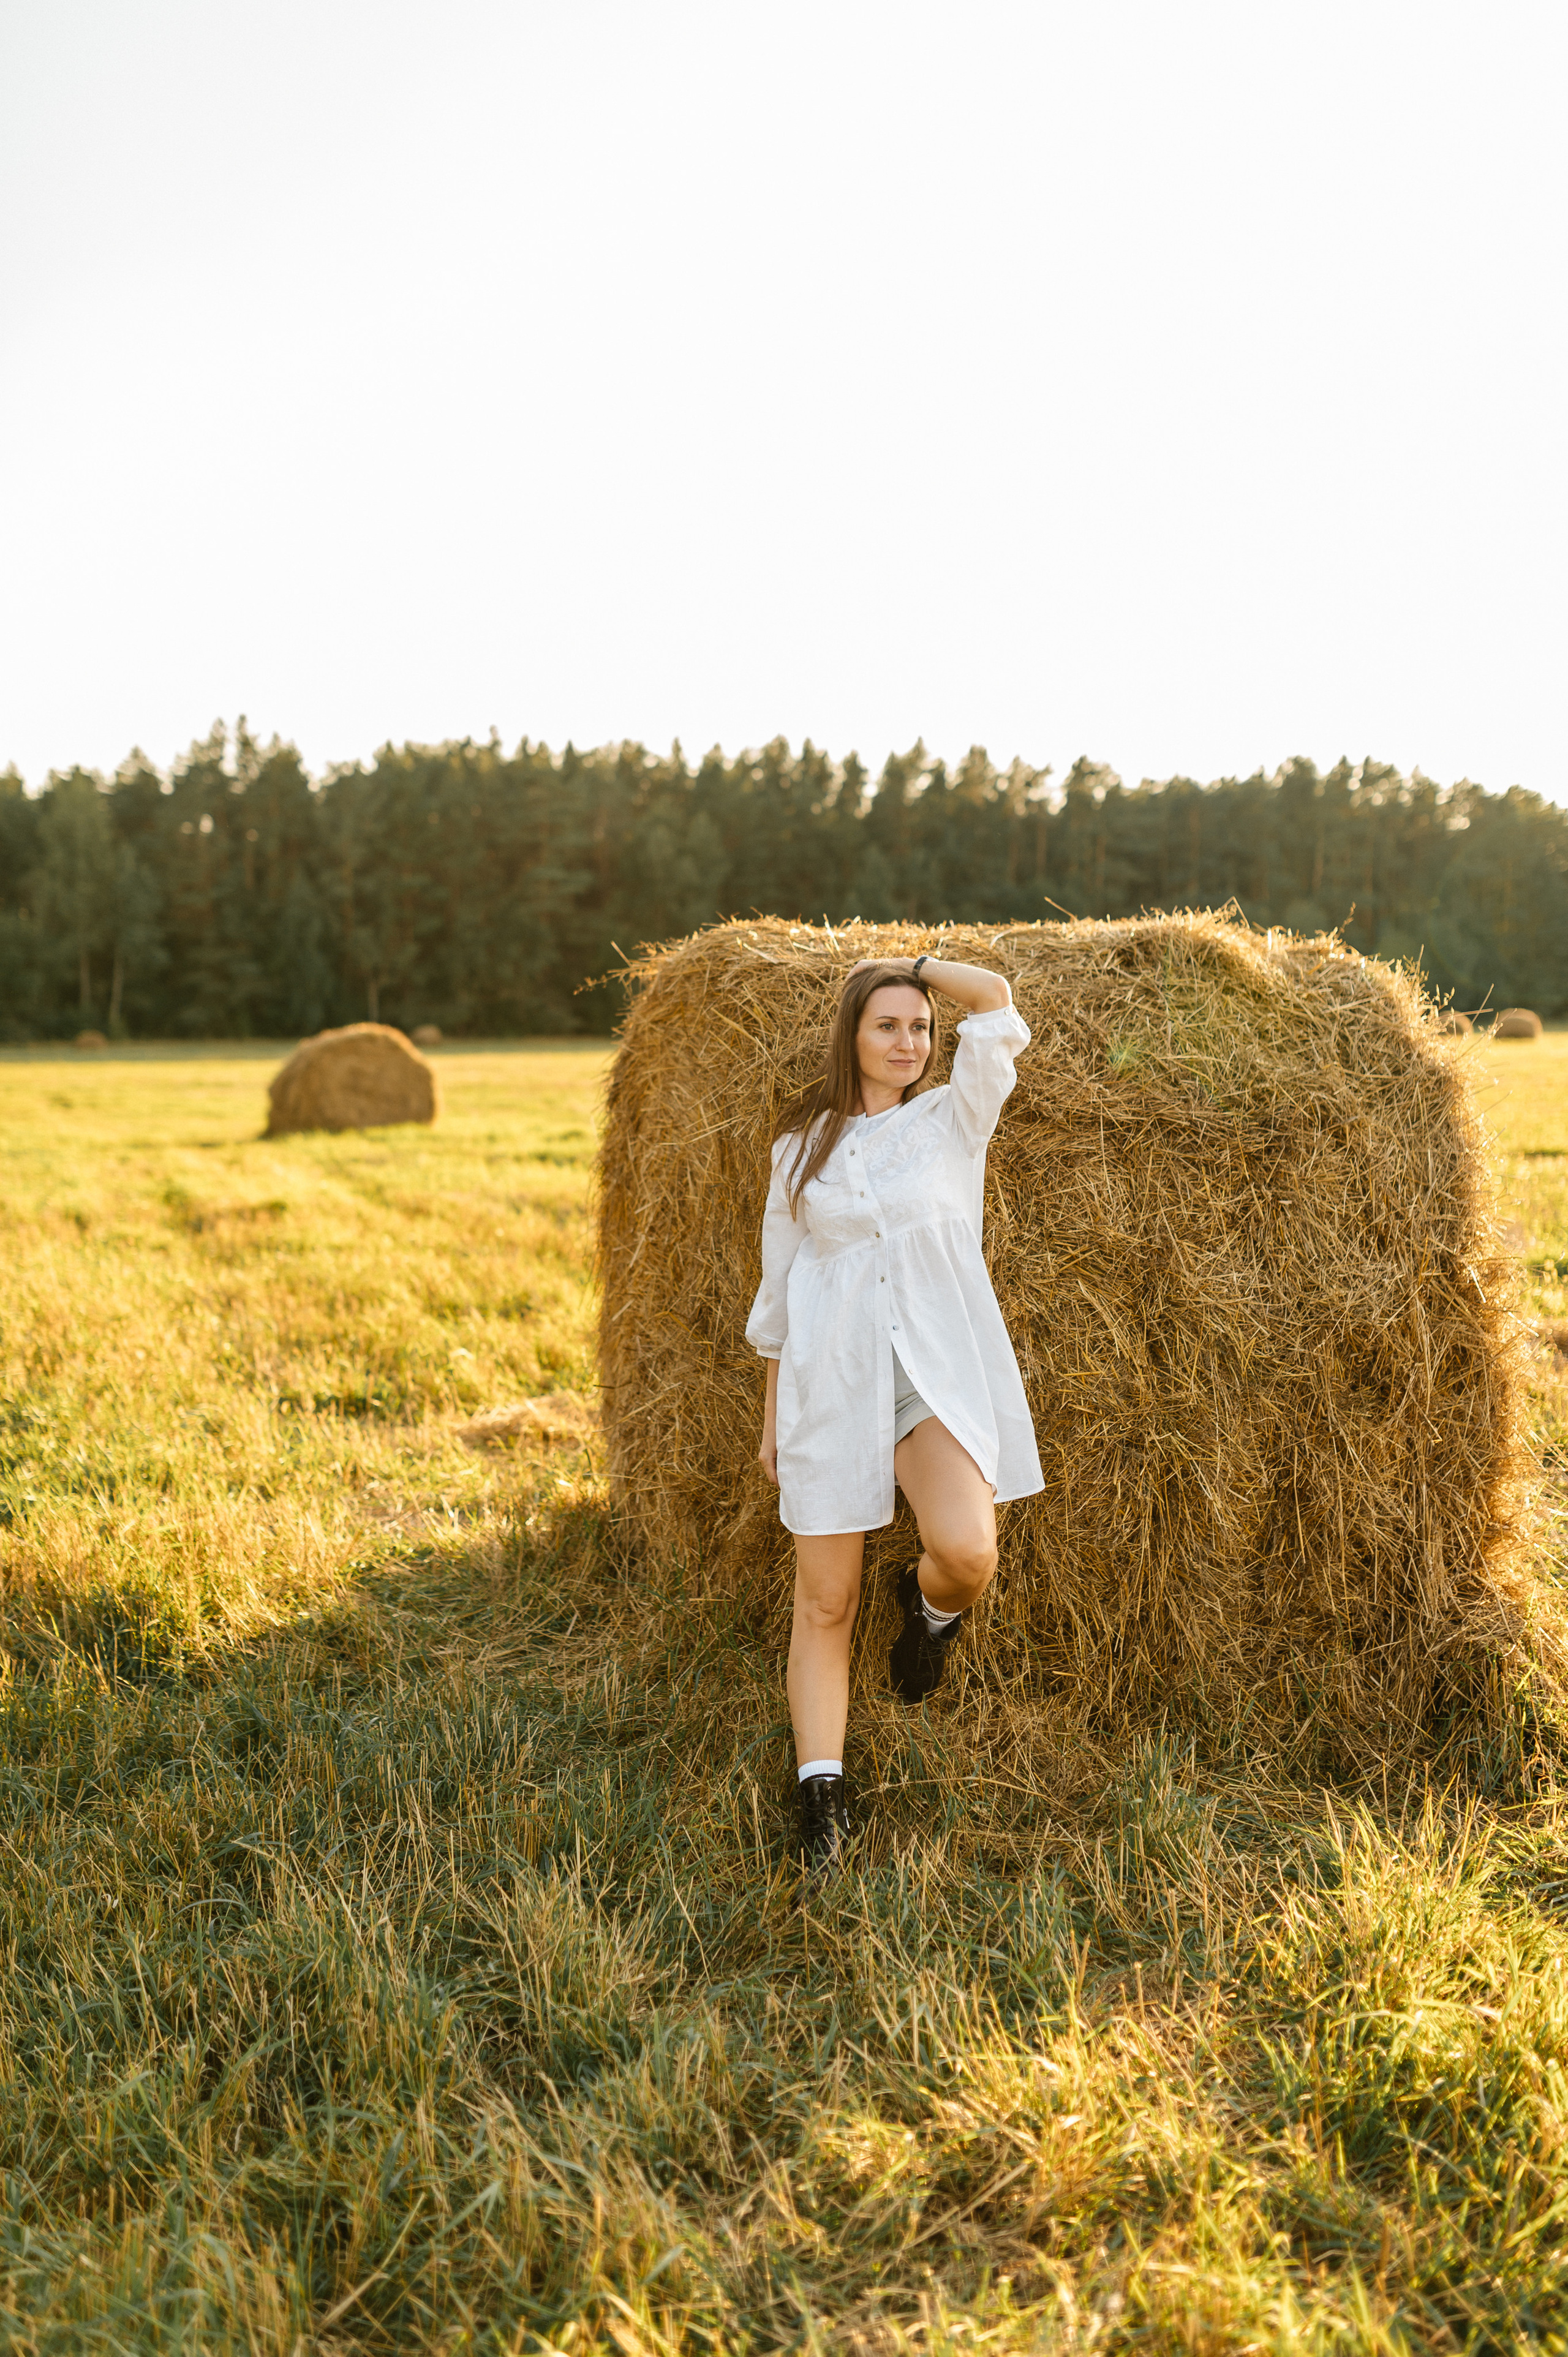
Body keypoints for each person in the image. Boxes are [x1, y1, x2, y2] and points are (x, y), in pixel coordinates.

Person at [746, 952, 1044, 1874]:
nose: (910, 1041)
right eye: (889, 1024)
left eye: (920, 1026)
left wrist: (908, 966)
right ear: (853, 1035)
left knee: (967, 1550)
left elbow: (995, 1002)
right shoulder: (799, 1151)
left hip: (927, 1368)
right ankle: (821, 1796)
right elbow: (782, 1293)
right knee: (825, 1600)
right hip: (830, 1380)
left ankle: (928, 1613)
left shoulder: (951, 1120)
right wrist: (771, 1419)